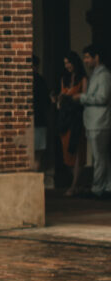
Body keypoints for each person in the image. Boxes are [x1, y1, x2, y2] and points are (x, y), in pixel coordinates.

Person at [56, 51, 88, 195]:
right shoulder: (64, 78)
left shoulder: (82, 78)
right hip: (65, 118)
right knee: (67, 151)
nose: (67, 65)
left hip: (77, 117)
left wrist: (75, 97)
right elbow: (61, 97)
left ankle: (74, 185)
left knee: (77, 149)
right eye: (65, 63)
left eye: (69, 62)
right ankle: (78, 183)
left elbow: (84, 98)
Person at [83, 44, 110, 199]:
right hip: (95, 121)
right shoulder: (95, 74)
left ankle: (98, 188)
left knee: (100, 157)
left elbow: (102, 97)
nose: (86, 61)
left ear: (96, 57)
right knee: (102, 157)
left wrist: (82, 97)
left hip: (100, 121)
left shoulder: (104, 75)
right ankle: (105, 186)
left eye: (88, 57)